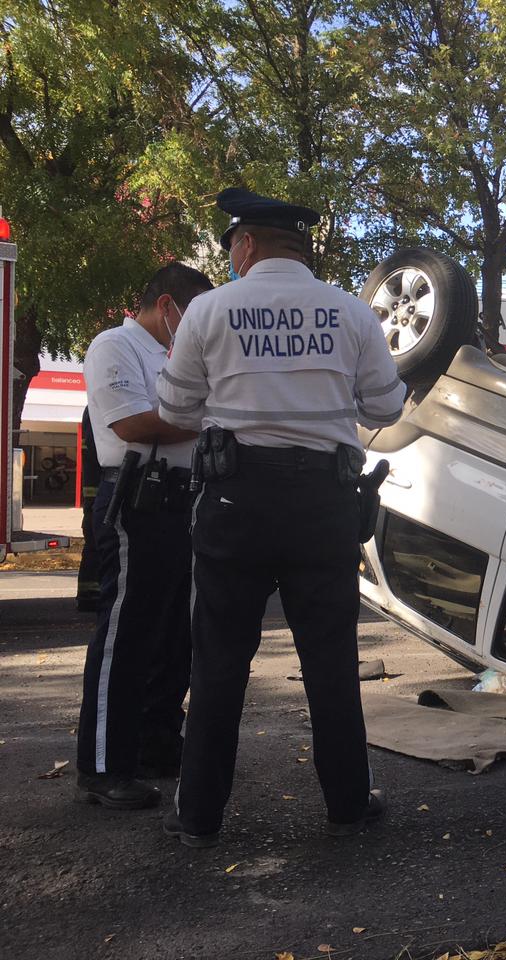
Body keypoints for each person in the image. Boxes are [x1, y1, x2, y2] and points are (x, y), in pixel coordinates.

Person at [156, 187, 406, 848]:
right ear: (301, 245)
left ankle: (199, 815)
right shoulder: (352, 314)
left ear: (245, 245)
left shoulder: (210, 309)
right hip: (323, 504)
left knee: (218, 662)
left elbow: (179, 411)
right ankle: (349, 803)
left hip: (233, 501)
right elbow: (385, 409)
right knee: (329, 661)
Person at [76, 263, 213, 809]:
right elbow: (132, 423)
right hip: (138, 495)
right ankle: (103, 765)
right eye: (194, 312)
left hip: (185, 498)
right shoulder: (115, 345)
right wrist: (210, 421)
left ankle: (157, 744)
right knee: (126, 633)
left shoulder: (179, 357)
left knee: (177, 634)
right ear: (167, 306)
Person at [75, 408, 102, 613]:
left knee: (93, 544)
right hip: (99, 491)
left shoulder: (91, 410)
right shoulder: (96, 410)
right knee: (96, 543)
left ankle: (88, 593)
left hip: (95, 491)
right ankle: (90, 595)